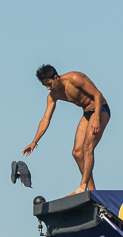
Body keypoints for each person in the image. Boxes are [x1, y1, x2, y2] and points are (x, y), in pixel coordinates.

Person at [22, 64, 110, 196]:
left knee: (87, 147)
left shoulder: (74, 78)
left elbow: (97, 95)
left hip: (100, 109)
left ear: (56, 77)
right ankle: (92, 192)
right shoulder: (53, 96)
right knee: (76, 153)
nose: (48, 88)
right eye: (45, 86)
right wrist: (34, 141)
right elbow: (46, 119)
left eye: (49, 84)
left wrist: (97, 118)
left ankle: (82, 187)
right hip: (87, 113)